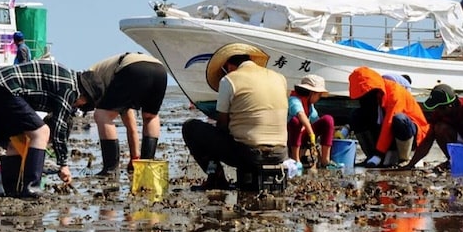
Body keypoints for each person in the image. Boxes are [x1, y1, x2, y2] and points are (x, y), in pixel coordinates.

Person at [181, 43, 288, 190]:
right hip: (280, 153)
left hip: (249, 155)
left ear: (229, 66)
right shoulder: (279, 78)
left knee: (190, 127)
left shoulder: (230, 80)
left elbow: (222, 125)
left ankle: (216, 177)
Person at [0, 60, 85, 196]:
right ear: (84, 98)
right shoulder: (70, 89)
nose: (77, 106)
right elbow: (59, 127)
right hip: (5, 87)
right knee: (42, 132)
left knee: (16, 141)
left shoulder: (64, 83)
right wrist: (63, 165)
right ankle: (31, 189)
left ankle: (12, 191)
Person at [76, 52, 168, 175]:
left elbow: (100, 108)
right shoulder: (113, 85)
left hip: (131, 68)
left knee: (102, 115)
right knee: (150, 116)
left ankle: (110, 169)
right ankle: (145, 168)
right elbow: (131, 127)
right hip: (159, 70)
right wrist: (134, 158)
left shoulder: (89, 78)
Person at [347, 66, 429, 168]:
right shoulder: (372, 98)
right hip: (387, 133)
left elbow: (389, 123)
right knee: (356, 115)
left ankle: (404, 159)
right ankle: (371, 157)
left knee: (399, 119)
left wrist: (379, 154)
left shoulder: (395, 92)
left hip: (412, 134)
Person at [286, 74, 336, 169]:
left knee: (328, 119)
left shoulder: (310, 105)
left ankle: (325, 160)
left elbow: (316, 120)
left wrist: (331, 131)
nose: (319, 98)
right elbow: (300, 114)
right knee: (296, 121)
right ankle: (296, 160)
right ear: (312, 93)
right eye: (319, 95)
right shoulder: (294, 100)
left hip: (305, 136)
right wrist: (311, 134)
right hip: (291, 136)